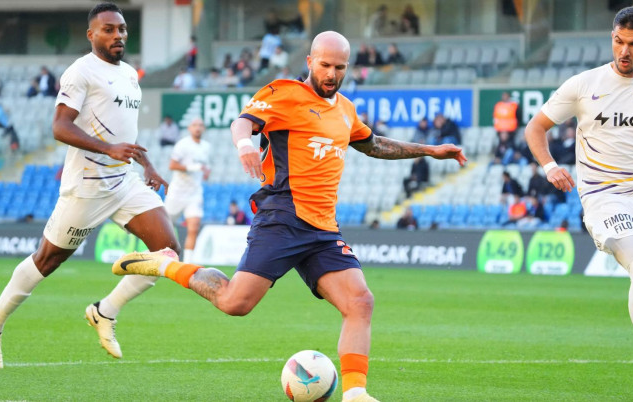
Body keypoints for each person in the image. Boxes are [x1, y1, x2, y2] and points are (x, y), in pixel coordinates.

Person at [111, 30, 466, 402]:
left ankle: (356, 394)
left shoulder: (345, 109)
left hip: (324, 228)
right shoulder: (284, 93)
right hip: (282, 216)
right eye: (325, 65)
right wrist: (245, 144)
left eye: (339, 67)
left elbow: (373, 144)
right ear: (310, 61)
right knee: (236, 303)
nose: (331, 73)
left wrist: (429, 150)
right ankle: (165, 265)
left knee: (360, 302)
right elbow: (242, 122)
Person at [0, 2, 180, 369]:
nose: (117, 35)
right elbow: (60, 127)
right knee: (47, 260)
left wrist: (146, 163)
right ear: (91, 35)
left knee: (168, 253)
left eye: (121, 28)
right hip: (86, 186)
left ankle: (105, 311)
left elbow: (124, 134)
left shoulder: (131, 74)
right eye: (108, 29)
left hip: (124, 182)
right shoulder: (80, 72)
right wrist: (108, 148)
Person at [524, 6, 633, 365]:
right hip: (605, 199)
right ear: (612, 38)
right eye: (618, 41)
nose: (624, 51)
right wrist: (549, 166)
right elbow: (535, 128)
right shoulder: (584, 84)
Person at [164, 117, 211, 263]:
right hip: (177, 193)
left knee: (194, 227)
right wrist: (192, 168)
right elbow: (172, 165)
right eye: (195, 125)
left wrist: (206, 172)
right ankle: (163, 257)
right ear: (190, 128)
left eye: (200, 125)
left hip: (194, 194)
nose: (198, 127)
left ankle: (188, 263)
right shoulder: (182, 144)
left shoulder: (207, 147)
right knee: (165, 228)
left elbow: (206, 168)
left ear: (204, 129)